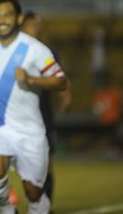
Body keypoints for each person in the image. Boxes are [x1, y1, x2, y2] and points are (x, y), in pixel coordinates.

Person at [0, 0, 68, 214]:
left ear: (18, 18)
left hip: (30, 131)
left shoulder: (36, 50)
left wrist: (32, 79)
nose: (1, 20)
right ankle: (8, 210)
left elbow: (62, 81)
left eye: (7, 15)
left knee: (33, 192)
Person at [21, 11, 72, 204]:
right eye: (33, 25)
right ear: (23, 26)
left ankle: (46, 204)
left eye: (39, 25)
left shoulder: (47, 51)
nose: (37, 28)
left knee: (47, 162)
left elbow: (59, 77)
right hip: (19, 114)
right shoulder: (13, 50)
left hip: (43, 112)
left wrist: (65, 94)